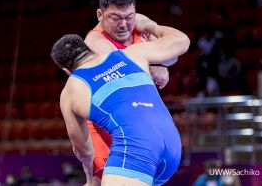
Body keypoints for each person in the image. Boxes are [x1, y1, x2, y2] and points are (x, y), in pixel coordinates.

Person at [50, 22, 189, 185]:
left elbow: (84, 151)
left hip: (137, 148)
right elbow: (182, 40)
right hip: (172, 145)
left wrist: (89, 179)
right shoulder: (131, 54)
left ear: (66, 71)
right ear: (89, 49)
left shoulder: (72, 88)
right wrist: (151, 26)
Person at [83, 0, 177, 182]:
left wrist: (152, 26)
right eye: (115, 18)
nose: (123, 24)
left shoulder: (140, 24)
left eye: (129, 17)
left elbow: (172, 57)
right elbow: (125, 71)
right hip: (106, 125)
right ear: (100, 15)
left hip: (138, 120)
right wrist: (153, 68)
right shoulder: (95, 41)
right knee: (101, 179)